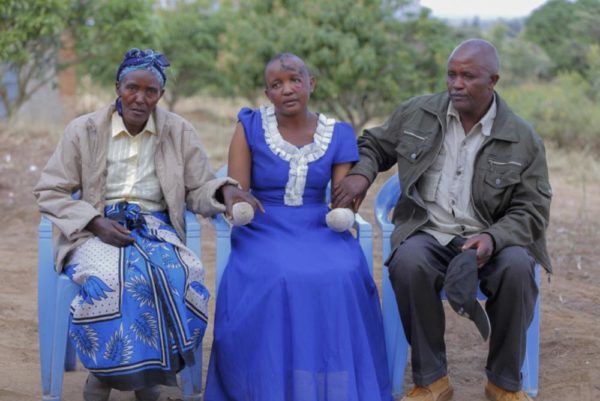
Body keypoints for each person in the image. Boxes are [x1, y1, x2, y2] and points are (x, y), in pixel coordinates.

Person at [333, 39, 552, 401]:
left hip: (491, 239)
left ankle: (503, 382)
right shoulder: (419, 113)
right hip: (429, 231)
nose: (456, 83)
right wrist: (362, 174)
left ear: (493, 80)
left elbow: (532, 210)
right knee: (408, 262)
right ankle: (432, 379)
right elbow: (374, 143)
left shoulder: (522, 138)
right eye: (451, 74)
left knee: (517, 268)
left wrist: (493, 239)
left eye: (468, 76)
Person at [33, 48, 252, 401]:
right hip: (95, 228)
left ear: (160, 95)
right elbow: (50, 189)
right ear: (118, 87)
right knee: (111, 280)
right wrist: (95, 221)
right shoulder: (84, 130)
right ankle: (103, 374)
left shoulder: (179, 131)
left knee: (181, 275)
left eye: (150, 91)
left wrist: (224, 192)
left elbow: (197, 187)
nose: (140, 98)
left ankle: (153, 375)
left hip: (156, 229)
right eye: (132, 88)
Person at [204, 53, 393, 401]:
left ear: (311, 84)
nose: (287, 89)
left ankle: (328, 383)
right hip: (264, 225)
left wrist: (343, 212)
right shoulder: (249, 126)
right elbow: (238, 188)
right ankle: (269, 385)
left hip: (319, 225)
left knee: (341, 273)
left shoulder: (336, 133)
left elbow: (340, 201)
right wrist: (235, 198)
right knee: (278, 276)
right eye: (276, 84)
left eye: (294, 80)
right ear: (267, 93)